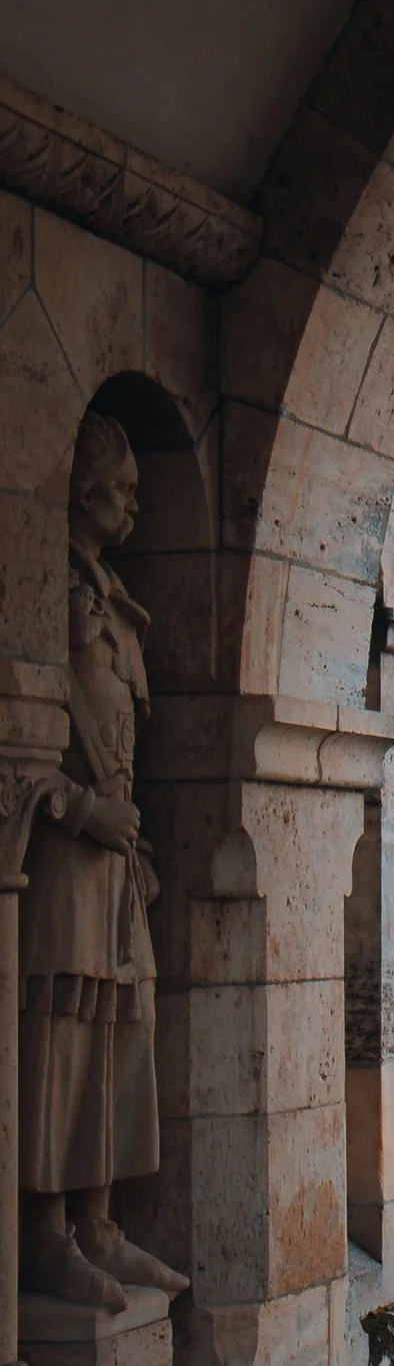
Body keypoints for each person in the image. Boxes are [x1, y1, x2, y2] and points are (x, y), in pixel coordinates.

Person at [19, 409, 184, 1315]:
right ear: (82, 492)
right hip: (61, 858)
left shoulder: (111, 598)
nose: (133, 507)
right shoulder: (42, 586)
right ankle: (45, 1235)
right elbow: (21, 740)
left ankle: (101, 1221)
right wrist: (85, 813)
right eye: (120, 491)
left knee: (125, 1029)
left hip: (118, 862)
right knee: (60, 1037)